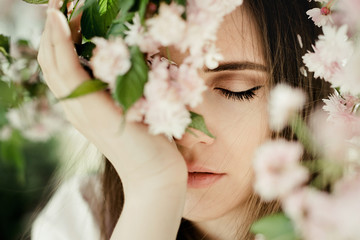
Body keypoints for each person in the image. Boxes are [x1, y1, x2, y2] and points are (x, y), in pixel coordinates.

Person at [32, 0, 331, 239]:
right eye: (151, 82)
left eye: (236, 91)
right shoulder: (83, 218)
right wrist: (153, 187)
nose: (184, 131)